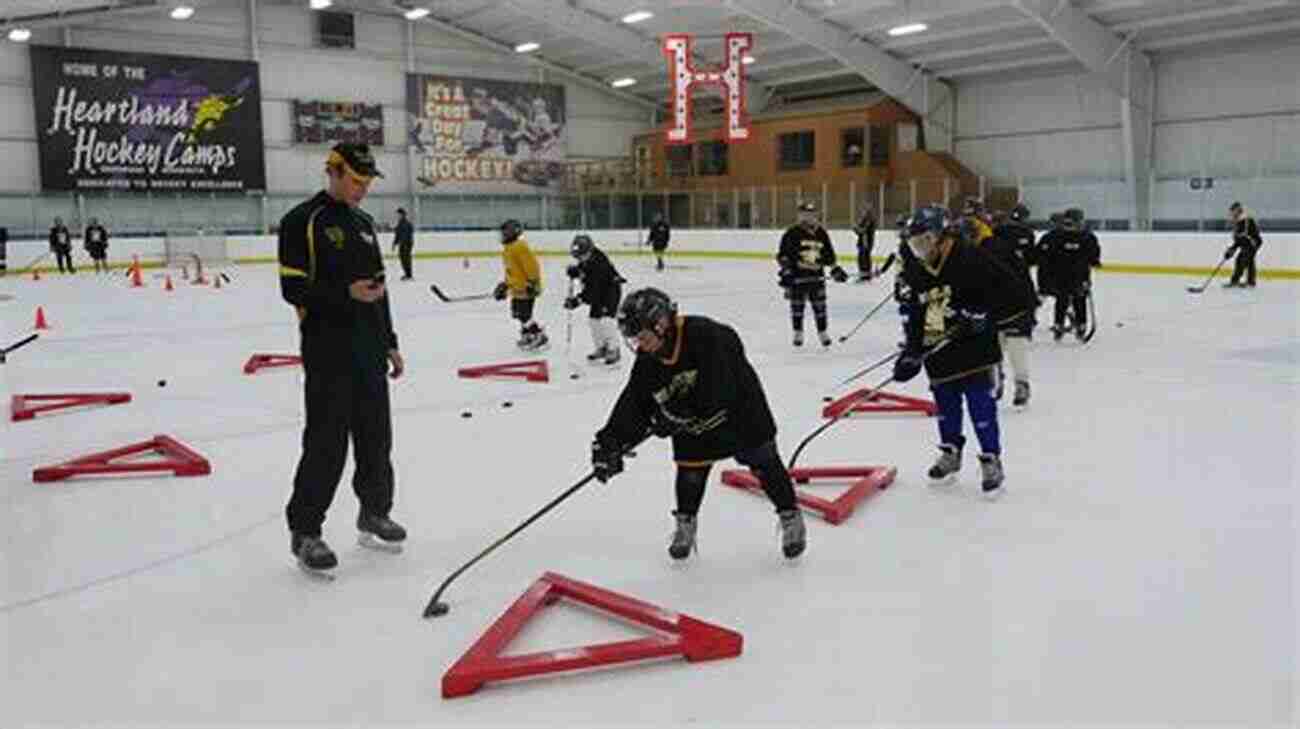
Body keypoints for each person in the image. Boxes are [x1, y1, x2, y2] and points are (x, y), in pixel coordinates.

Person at [589, 287, 807, 560]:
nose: (639, 346)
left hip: (742, 414)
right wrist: (610, 442)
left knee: (765, 464)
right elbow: (635, 402)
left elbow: (722, 387)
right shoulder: (649, 360)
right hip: (692, 425)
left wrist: (676, 414)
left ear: (662, 324)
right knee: (690, 474)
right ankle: (685, 525)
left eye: (642, 337)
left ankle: (790, 516)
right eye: (634, 340)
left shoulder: (707, 336)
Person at [277, 143, 407, 576]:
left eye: (367, 183)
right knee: (326, 444)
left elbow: (379, 291)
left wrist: (389, 341)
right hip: (328, 350)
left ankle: (374, 511)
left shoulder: (366, 224)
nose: (362, 190)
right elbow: (292, 290)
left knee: (376, 440)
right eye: (355, 181)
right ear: (332, 172)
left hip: (369, 349)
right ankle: (306, 531)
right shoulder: (302, 222)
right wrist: (343, 294)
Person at [891, 206, 1035, 500]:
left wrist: (985, 316)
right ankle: (950, 452)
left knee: (981, 406)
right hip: (938, 351)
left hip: (975, 350)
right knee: (946, 407)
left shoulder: (972, 258)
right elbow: (917, 313)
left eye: (924, 242)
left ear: (942, 236)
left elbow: (1018, 296)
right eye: (914, 244)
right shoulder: (917, 270)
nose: (920, 250)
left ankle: (991, 459)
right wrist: (912, 351)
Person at [777, 201, 849, 348]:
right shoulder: (791, 233)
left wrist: (835, 269)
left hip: (816, 278)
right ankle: (798, 332)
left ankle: (822, 332)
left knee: (820, 308)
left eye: (811, 214)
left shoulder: (821, 233)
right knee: (797, 308)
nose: (808, 217)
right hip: (798, 278)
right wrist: (787, 271)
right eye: (805, 214)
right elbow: (783, 255)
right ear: (799, 215)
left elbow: (829, 255)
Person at [987, 203, 1039, 407]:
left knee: (996, 344)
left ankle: (998, 378)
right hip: (1016, 303)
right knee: (1015, 344)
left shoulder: (988, 247)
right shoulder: (1018, 246)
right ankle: (1020, 382)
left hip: (1004, 304)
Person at [565, 233, 625, 366]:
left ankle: (614, 349)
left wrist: (577, 300)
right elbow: (585, 270)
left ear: (590, 250)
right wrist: (576, 271)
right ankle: (602, 347)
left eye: (581, 255)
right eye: (577, 256)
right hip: (598, 292)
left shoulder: (599, 264)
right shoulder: (588, 259)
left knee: (606, 321)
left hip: (610, 292)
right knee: (593, 321)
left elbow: (593, 291)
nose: (579, 258)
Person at [1041, 208, 1101, 341]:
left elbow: (1093, 255)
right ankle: (1071, 325)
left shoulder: (1084, 236)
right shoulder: (1084, 236)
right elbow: (1094, 257)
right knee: (1071, 299)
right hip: (1071, 275)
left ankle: (1067, 324)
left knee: (1069, 299)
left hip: (1071, 275)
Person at [493, 219, 548, 351]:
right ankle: (527, 335)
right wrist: (505, 285)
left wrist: (533, 283)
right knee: (517, 313)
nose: (502, 235)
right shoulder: (508, 249)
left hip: (526, 288)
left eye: (505, 233)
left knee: (524, 314)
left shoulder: (520, 246)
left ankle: (539, 335)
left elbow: (532, 266)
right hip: (516, 288)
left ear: (513, 233)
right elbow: (511, 270)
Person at [1224, 201, 1263, 288]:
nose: (1232, 213)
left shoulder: (1246, 220)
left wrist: (1235, 248)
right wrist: (1232, 249)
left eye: (1234, 211)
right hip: (1247, 244)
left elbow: (1246, 236)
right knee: (1247, 260)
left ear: (1238, 210)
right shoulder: (1237, 222)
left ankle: (1237, 281)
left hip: (1253, 243)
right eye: (1232, 211)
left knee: (1242, 260)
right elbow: (1239, 239)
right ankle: (1250, 282)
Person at [852, 205, 878, 280]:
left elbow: (863, 230)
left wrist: (856, 228)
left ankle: (866, 275)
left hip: (866, 242)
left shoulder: (869, 220)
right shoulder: (864, 220)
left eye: (865, 210)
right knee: (861, 258)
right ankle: (863, 274)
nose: (863, 212)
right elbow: (860, 231)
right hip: (863, 242)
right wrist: (856, 229)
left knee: (864, 258)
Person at [392, 208, 415, 280]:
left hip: (407, 244)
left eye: (399, 214)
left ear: (402, 214)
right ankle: (406, 273)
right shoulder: (400, 223)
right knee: (403, 259)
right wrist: (394, 243)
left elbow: (407, 234)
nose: (397, 215)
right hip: (402, 244)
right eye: (397, 214)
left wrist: (405, 244)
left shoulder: (407, 223)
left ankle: (409, 275)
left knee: (406, 259)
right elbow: (397, 234)